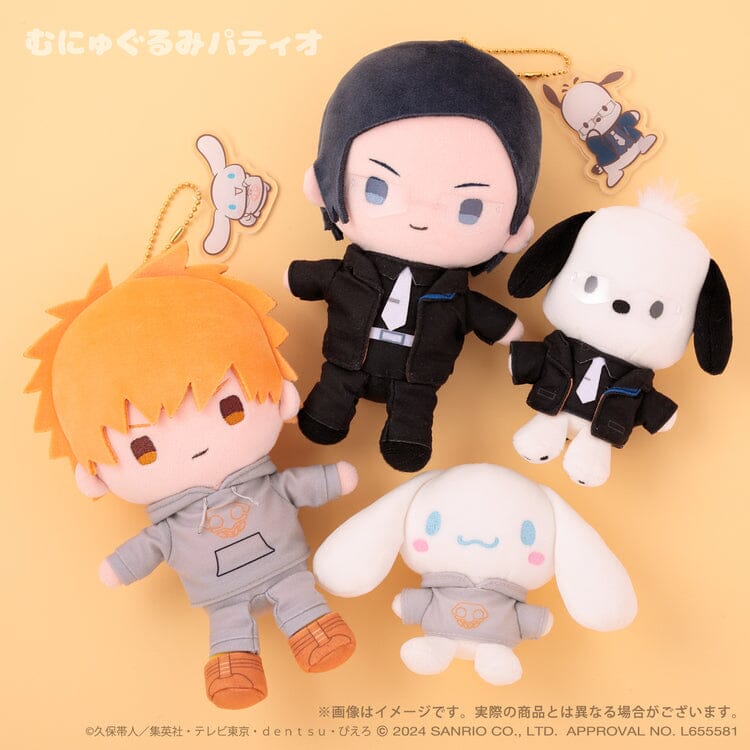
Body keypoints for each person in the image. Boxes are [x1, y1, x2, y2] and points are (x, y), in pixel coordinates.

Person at [25, 245, 357, 709]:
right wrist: (120, 567)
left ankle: (313, 632)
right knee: (229, 624)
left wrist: (332, 479)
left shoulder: (263, 485)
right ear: (94, 474)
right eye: (142, 447)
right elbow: (149, 546)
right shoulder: (171, 526)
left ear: (279, 395)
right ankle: (234, 668)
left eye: (228, 407)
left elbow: (293, 487)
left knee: (298, 594)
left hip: (286, 569)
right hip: (221, 597)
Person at [287, 40, 542, 471]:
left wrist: (507, 329)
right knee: (335, 387)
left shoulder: (454, 294)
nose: (421, 219)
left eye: (470, 207)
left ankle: (406, 438)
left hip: (417, 379)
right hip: (346, 360)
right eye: (378, 188)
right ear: (324, 184)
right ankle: (326, 415)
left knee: (415, 406)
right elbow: (317, 277)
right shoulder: (352, 272)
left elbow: (480, 313)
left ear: (514, 232)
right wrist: (297, 276)